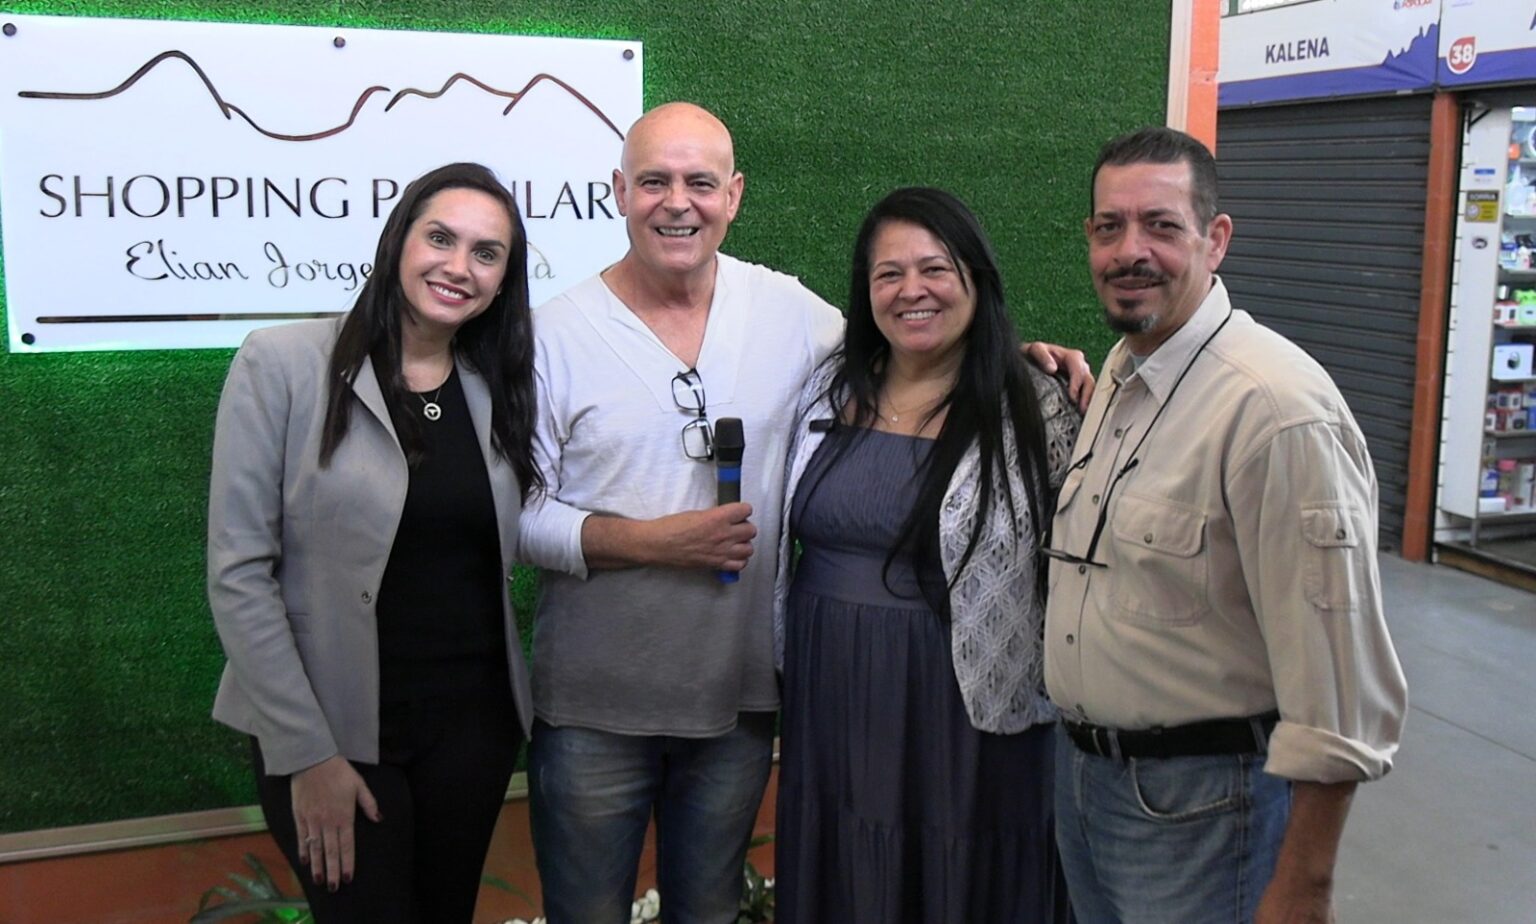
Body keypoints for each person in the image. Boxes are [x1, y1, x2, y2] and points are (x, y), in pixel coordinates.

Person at [516, 102, 1091, 924]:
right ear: (618, 191)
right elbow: (516, 516)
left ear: (734, 195)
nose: (677, 202)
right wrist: (648, 543)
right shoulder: (551, 334)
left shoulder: (790, 314)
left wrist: (1024, 361)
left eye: (700, 182)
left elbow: (915, 334)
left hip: (742, 706)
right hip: (593, 707)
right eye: (654, 181)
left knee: (710, 911)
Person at [1043, 126, 1409, 924]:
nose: (1129, 251)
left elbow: (1338, 681)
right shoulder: (1125, 371)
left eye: (1161, 226)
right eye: (1109, 227)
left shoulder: (1275, 410)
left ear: (1216, 240)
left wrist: (1305, 886)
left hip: (1204, 811)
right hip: (1087, 788)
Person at [207, 162, 539, 922]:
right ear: (398, 242)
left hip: (471, 733)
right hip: (336, 734)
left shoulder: (498, 382)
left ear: (502, 282)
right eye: (440, 238)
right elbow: (238, 573)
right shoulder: (281, 363)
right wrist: (307, 755)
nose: (459, 266)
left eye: (486, 253)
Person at [770, 186, 1079, 923]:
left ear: (977, 278)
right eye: (889, 274)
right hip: (830, 699)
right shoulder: (826, 387)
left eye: (935, 268)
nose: (912, 290)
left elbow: (1076, 569)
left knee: (956, 874)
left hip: (964, 715)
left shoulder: (1036, 406)